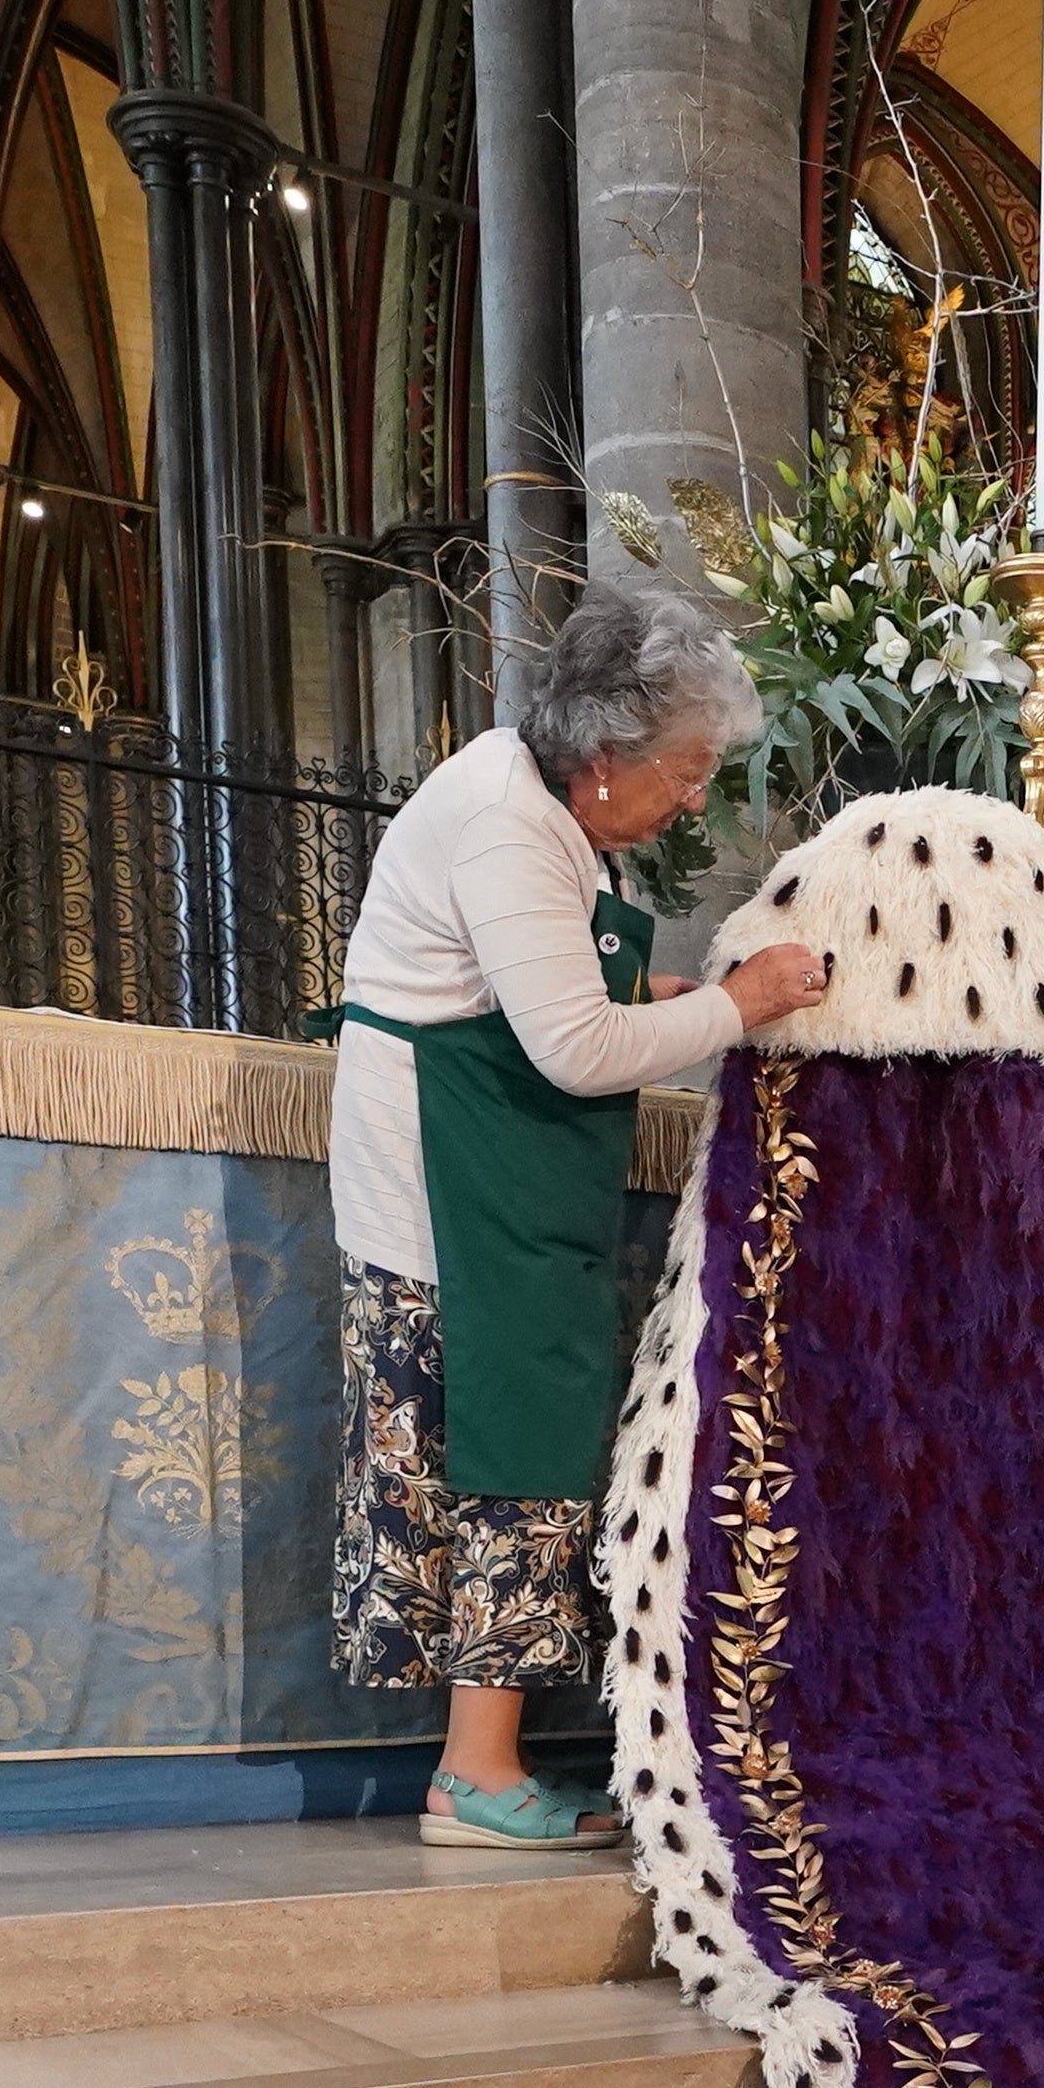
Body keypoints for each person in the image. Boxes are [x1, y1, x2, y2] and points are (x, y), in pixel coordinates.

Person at [325, 585, 832, 1847]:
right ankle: (474, 1774)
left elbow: (542, 978)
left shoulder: (549, 801)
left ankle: (478, 1763)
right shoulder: (506, 821)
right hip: (451, 1174)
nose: (693, 800)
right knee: (499, 1453)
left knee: (524, 1435)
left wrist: (656, 982)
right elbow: (575, 1049)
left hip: (493, 1160)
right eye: (685, 771)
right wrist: (743, 1002)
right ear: (605, 759)